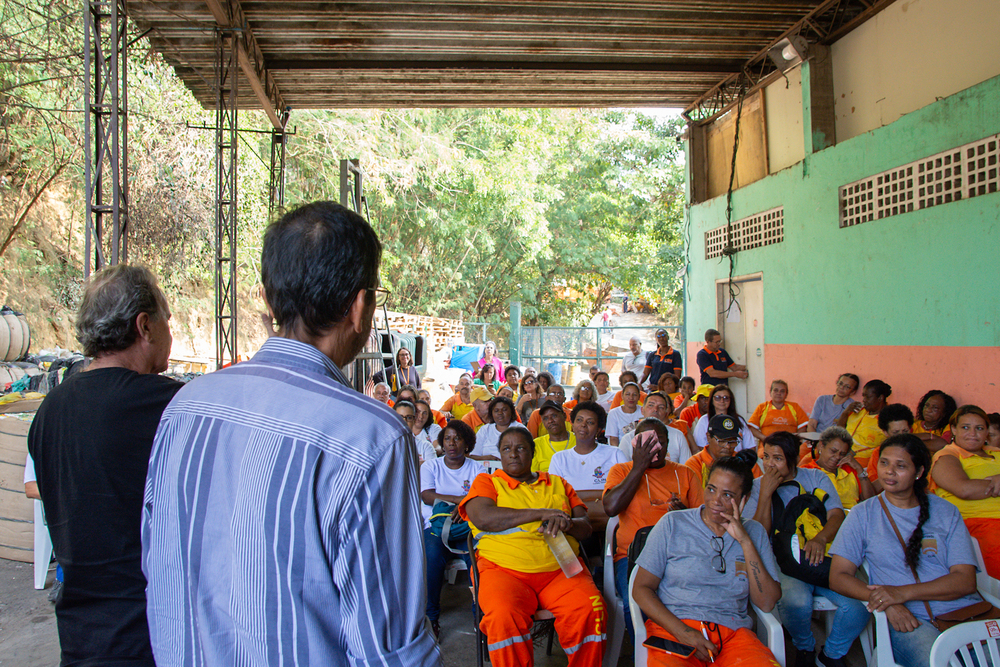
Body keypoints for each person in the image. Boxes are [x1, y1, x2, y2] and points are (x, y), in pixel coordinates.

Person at [142, 201, 440, 666]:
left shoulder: (185, 407)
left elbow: (156, 566)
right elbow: (390, 650)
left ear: (266, 297)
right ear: (360, 307)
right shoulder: (371, 440)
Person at [27, 265, 183, 667]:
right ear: (144, 326)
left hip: (79, 638)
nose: (171, 330)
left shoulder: (50, 411)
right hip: (147, 639)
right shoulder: (166, 406)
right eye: (167, 318)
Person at [829, 434, 981, 667]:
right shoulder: (863, 514)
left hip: (965, 614)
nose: (889, 471)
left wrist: (901, 593)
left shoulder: (946, 511)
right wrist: (886, 602)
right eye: (884, 462)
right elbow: (838, 577)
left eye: (900, 466)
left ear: (918, 472)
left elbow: (965, 581)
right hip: (911, 622)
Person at [459, 427, 606, 667]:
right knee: (503, 617)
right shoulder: (488, 481)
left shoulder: (558, 483)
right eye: (506, 449)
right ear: (500, 454)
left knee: (591, 609)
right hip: (503, 571)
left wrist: (567, 523)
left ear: (532, 452)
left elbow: (586, 528)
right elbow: (483, 518)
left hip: (560, 570)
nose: (513, 454)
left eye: (521, 448)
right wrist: (542, 514)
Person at [631, 451, 782, 667]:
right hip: (676, 630)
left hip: (733, 636)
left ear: (744, 500)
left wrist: (745, 542)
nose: (715, 501)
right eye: (711, 489)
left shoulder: (754, 532)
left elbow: (767, 602)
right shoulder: (673, 523)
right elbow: (641, 589)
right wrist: (684, 632)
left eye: (728, 495)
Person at [743, 432, 866, 667]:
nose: (769, 464)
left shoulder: (815, 478)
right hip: (783, 563)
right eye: (766, 456)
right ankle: (805, 647)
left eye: (777, 458)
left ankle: (830, 654)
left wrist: (820, 539)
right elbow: (759, 533)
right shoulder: (758, 486)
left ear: (792, 459)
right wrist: (766, 494)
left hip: (820, 557)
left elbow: (836, 514)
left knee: (857, 608)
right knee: (797, 602)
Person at [603, 418, 703, 642]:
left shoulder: (685, 474)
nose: (654, 448)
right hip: (632, 557)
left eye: (660, 442)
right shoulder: (621, 471)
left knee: (688, 601)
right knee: (636, 605)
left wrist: (684, 514)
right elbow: (610, 507)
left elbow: (704, 523)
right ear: (635, 444)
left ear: (668, 445)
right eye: (647, 442)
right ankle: (645, 653)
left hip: (679, 554)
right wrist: (639, 467)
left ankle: (677, 649)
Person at [420, 419, 482, 636]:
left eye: (457, 438)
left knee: (478, 561)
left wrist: (464, 506)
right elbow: (427, 496)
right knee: (432, 558)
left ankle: (480, 617)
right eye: (447, 438)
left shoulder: (477, 468)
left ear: (467, 443)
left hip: (467, 527)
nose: (452, 443)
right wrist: (460, 501)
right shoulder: (431, 466)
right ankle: (432, 617)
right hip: (436, 527)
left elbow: (482, 498)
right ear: (442, 443)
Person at [930, 404, 1000, 578]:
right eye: (965, 427)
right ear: (954, 429)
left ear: (986, 432)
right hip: (979, 523)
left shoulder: (996, 453)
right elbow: (964, 489)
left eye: (979, 428)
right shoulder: (948, 455)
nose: (973, 434)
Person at [549, 402, 626, 533]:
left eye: (590, 422)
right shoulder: (559, 458)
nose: (583, 425)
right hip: (573, 523)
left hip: (611, 522)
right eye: (579, 420)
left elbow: (624, 492)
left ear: (598, 430)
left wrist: (577, 496)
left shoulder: (615, 454)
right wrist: (600, 497)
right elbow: (557, 496)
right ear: (572, 425)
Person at [800, 426, 876, 510]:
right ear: (821, 446)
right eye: (833, 451)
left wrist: (859, 469)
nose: (837, 457)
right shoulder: (806, 471)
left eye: (842, 454)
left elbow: (871, 501)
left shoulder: (850, 470)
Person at [617, 392, 694, 464]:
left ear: (666, 413)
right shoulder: (628, 439)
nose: (655, 409)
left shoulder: (678, 436)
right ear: (642, 410)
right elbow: (623, 472)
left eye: (661, 407)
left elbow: (686, 469)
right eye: (651, 405)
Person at [686, 414, 762, 487]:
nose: (728, 446)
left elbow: (759, 490)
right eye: (722, 441)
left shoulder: (744, 461)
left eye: (732, 442)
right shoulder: (694, 465)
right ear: (708, 437)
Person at [837, 379, 892, 465]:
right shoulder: (859, 411)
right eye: (863, 396)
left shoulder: (888, 419)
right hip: (842, 452)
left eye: (868, 397)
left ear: (880, 398)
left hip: (863, 460)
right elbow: (839, 430)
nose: (864, 400)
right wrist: (845, 413)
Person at [693, 384, 756, 453]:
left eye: (726, 398)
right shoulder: (704, 420)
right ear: (712, 400)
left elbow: (750, 447)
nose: (722, 401)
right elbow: (700, 447)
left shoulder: (739, 420)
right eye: (718, 397)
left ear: (730, 400)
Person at [472, 395, 523, 463]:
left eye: (504, 410)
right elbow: (473, 456)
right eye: (496, 411)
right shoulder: (485, 429)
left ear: (511, 411)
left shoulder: (520, 429)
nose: (500, 413)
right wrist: (487, 458)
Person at [532, 399, 577, 472]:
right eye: (545, 418)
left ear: (564, 416)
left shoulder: (579, 441)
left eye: (554, 416)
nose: (550, 421)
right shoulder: (537, 445)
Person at [396, 400, 437, 465]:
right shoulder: (385, 446)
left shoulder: (425, 446)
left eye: (409, 417)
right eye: (400, 417)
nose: (404, 421)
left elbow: (433, 470)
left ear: (413, 420)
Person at [606, 382, 643, 448]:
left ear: (639, 397)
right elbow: (613, 439)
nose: (631, 398)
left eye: (634, 395)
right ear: (622, 396)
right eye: (627, 394)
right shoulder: (614, 413)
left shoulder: (644, 411)